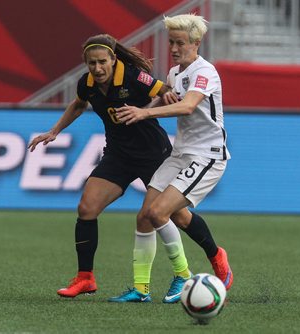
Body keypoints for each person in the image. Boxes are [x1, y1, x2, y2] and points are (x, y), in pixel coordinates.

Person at [27, 34, 231, 301]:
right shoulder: (86, 83)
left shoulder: (135, 77)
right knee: (86, 208)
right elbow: (78, 104)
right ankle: (85, 278)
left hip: (152, 153)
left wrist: (163, 98)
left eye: (102, 62)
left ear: (113, 59)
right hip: (118, 154)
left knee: (173, 216)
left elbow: (163, 90)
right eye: (92, 63)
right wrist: (54, 131)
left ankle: (213, 256)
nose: (97, 68)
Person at [110, 13, 233, 304]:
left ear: (196, 43)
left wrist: (145, 113)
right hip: (181, 153)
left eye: (180, 43)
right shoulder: (175, 73)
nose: (174, 49)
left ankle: (189, 274)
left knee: (158, 213)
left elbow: (189, 106)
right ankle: (141, 289)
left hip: (208, 156)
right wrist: (139, 109)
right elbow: (167, 99)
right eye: (171, 43)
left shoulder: (206, 72)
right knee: (146, 216)